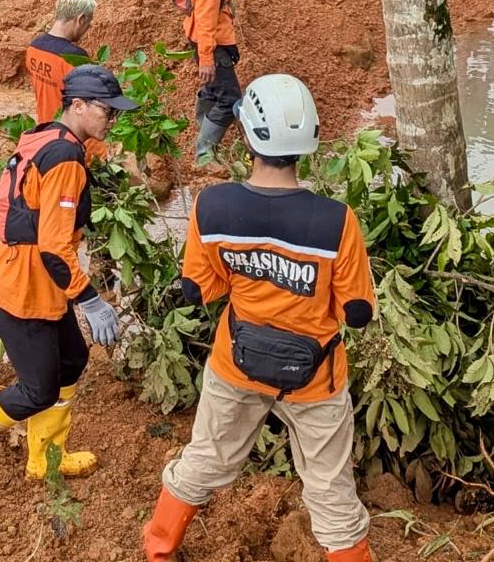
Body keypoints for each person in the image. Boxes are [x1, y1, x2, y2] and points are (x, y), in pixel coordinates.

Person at [143, 74, 375, 562]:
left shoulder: (213, 205)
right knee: (330, 490)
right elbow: (357, 313)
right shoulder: (337, 220)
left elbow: (197, 289)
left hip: (236, 365)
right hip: (316, 379)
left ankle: (158, 550)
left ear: (246, 135)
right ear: (310, 142)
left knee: (205, 459)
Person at [0, 64, 139, 483]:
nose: (112, 120)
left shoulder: (46, 137)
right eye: (106, 110)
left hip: (34, 280)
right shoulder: (65, 159)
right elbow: (55, 247)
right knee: (37, 390)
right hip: (23, 290)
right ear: (78, 105)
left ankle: (46, 457)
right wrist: (91, 299)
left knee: (72, 360)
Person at [171, 0, 268, 159]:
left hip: (207, 35)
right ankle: (203, 155)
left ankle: (201, 133)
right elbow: (206, 12)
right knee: (229, 99)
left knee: (214, 89)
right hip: (208, 38)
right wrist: (206, 58)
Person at [25, 0, 96, 124]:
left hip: (44, 127)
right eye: (88, 23)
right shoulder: (76, 58)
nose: (88, 28)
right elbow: (87, 106)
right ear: (80, 19)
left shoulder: (33, 47)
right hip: (68, 131)